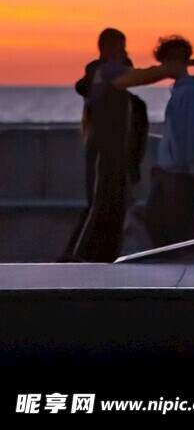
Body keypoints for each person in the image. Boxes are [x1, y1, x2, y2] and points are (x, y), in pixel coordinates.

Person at [113, 35, 194, 248]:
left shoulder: (190, 94)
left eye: (165, 63)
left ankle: (179, 276)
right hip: (170, 172)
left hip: (180, 175)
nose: (163, 68)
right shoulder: (182, 92)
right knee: (159, 223)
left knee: (176, 233)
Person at [62, 28, 148, 262]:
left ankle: (100, 260)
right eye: (121, 48)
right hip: (105, 159)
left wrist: (133, 170)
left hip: (117, 163)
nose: (125, 53)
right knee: (100, 209)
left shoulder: (132, 104)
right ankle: (78, 258)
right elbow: (87, 81)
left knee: (113, 215)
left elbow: (136, 140)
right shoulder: (98, 79)